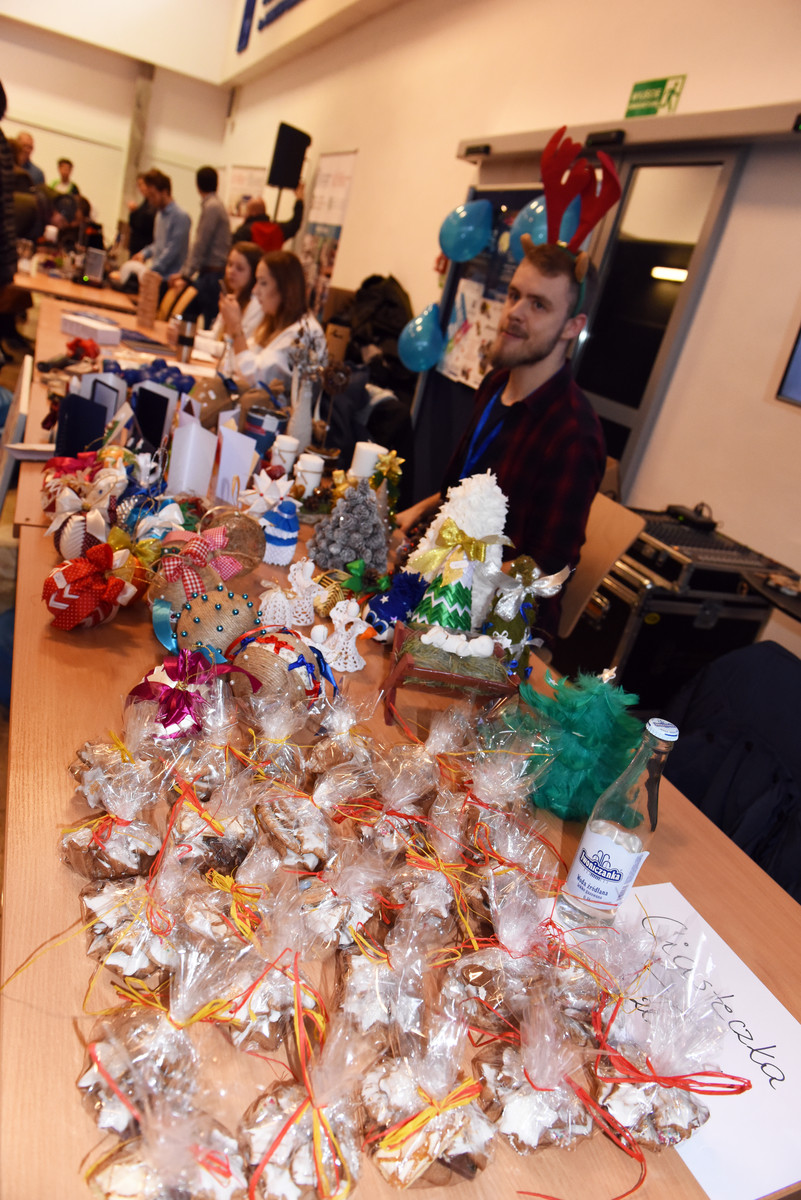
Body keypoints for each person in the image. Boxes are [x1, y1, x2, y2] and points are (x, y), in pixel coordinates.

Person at [396, 239, 606, 644]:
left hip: (498, 629)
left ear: (572, 326)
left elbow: (545, 570)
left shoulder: (573, 434)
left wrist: (451, 584)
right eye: (514, 295)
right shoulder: (495, 384)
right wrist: (417, 514)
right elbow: (461, 493)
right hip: (441, 585)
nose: (515, 312)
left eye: (538, 304)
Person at [217, 248, 326, 397]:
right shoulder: (275, 323)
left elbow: (256, 378)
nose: (255, 291)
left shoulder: (304, 332)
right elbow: (235, 363)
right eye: (256, 282)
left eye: (263, 283)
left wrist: (236, 326)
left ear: (285, 288)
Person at [168, 165, 230, 326]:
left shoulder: (212, 207)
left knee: (194, 317)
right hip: (210, 273)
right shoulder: (216, 205)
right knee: (189, 315)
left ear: (197, 185)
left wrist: (185, 275)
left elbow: (201, 242)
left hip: (212, 275)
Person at [208, 241, 263, 373]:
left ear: (253, 274)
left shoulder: (256, 305)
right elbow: (215, 335)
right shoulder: (233, 296)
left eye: (240, 268)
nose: (231, 271)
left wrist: (190, 339)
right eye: (229, 264)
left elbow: (234, 350)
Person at [131, 168, 190, 282]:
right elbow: (159, 245)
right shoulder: (159, 215)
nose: (151, 201)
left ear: (164, 192)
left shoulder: (181, 217)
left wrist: (150, 270)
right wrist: (144, 253)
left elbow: (172, 250)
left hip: (170, 280)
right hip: (157, 277)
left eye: (153, 195)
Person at [231, 182, 305, 247]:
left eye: (247, 211)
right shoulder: (279, 229)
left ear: (252, 213)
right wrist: (299, 199)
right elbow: (295, 223)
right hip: (274, 259)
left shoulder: (244, 231)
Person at [127, 173, 155, 257]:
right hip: (136, 248)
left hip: (144, 250)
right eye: (138, 185)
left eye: (142, 184)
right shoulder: (144, 203)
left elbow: (144, 224)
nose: (141, 188)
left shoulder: (153, 204)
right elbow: (133, 225)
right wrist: (133, 212)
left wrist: (135, 212)